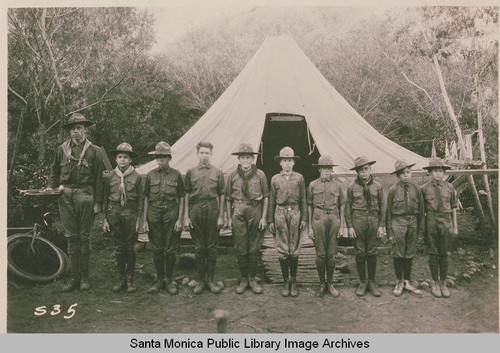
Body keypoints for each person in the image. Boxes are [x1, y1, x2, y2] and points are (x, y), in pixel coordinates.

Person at [47, 113, 104, 292]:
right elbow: (54, 171)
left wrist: (98, 202)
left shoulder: (95, 151)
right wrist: (51, 187)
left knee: (84, 237)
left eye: (79, 128)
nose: (76, 132)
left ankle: (85, 278)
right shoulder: (61, 149)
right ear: (69, 132)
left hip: (86, 194)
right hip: (65, 195)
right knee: (71, 237)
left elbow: (98, 179)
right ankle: (73, 278)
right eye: (73, 129)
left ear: (85, 129)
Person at [225, 143, 269, 294]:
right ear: (239, 159)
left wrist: (263, 217)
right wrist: (229, 218)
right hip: (238, 210)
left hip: (255, 210)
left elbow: (266, 197)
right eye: (242, 158)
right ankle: (243, 279)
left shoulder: (260, 175)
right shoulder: (232, 175)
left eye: (248, 158)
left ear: (252, 159)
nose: (245, 161)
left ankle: (252, 278)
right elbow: (227, 199)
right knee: (241, 247)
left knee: (254, 247)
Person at [143, 142, 185, 294]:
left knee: (170, 249)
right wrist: (144, 220)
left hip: (171, 214)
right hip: (154, 215)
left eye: (164, 158)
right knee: (157, 249)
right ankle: (160, 280)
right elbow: (146, 197)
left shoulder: (176, 175)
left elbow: (181, 197)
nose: (161, 160)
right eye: (158, 158)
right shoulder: (150, 175)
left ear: (169, 158)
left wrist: (180, 219)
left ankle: (169, 280)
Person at [184, 141, 225, 294]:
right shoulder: (190, 172)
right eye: (202, 152)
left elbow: (221, 194)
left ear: (211, 154)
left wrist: (221, 216)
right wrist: (186, 217)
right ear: (197, 154)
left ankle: (211, 280)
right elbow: (187, 194)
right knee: (199, 248)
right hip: (196, 209)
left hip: (212, 209)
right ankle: (201, 280)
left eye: (207, 153)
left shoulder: (218, 172)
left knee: (212, 248)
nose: (204, 156)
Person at [102, 143, 142, 293]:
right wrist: (105, 219)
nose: (122, 160)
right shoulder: (110, 176)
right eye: (120, 157)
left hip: (131, 213)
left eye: (126, 157)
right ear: (116, 159)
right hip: (114, 212)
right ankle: (121, 279)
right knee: (119, 248)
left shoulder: (136, 176)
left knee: (130, 247)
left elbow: (140, 200)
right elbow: (106, 198)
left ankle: (131, 279)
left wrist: (139, 219)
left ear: (130, 159)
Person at [268, 147, 307, 297]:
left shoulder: (299, 178)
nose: (287, 164)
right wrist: (271, 220)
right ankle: (286, 281)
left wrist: (304, 218)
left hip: (295, 212)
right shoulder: (275, 179)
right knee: (283, 248)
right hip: (280, 212)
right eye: (285, 161)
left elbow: (303, 199)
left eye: (290, 160)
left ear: (294, 162)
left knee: (294, 247)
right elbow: (271, 200)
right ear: (280, 163)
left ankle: (294, 281)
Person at [345, 156, 385, 297]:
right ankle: (362, 282)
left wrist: (381, 225)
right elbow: (347, 207)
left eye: (366, 169)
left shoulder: (378, 186)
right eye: (360, 170)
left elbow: (382, 207)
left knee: (372, 251)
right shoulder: (352, 187)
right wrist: (349, 226)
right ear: (357, 172)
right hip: (358, 220)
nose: (363, 172)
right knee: (360, 251)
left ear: (370, 169)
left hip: (373, 220)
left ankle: (372, 282)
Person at [385, 160, 424, 296]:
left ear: (411, 173)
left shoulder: (417, 189)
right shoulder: (393, 190)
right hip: (398, 222)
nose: (406, 175)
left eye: (408, 172)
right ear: (398, 176)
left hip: (413, 222)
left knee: (409, 252)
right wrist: (389, 232)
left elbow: (421, 212)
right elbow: (388, 213)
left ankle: (407, 281)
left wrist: (420, 232)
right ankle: (399, 281)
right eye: (402, 174)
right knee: (398, 252)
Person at [308, 156, 344, 298]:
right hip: (318, 219)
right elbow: (309, 205)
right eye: (324, 168)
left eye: (329, 168)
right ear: (319, 169)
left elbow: (342, 204)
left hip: (333, 219)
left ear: (331, 170)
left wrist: (341, 226)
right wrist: (310, 227)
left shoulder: (338, 185)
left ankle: (330, 283)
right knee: (321, 254)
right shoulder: (312, 185)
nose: (326, 171)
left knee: (331, 254)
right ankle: (322, 283)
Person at [421, 158, 458, 298]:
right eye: (435, 171)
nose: (438, 174)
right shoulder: (424, 189)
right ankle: (435, 282)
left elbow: (454, 207)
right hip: (431, 220)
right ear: (430, 173)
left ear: (444, 173)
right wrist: (423, 228)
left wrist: (455, 226)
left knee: (444, 253)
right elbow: (422, 211)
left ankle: (443, 282)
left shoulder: (450, 187)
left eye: (441, 171)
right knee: (433, 252)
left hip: (446, 220)